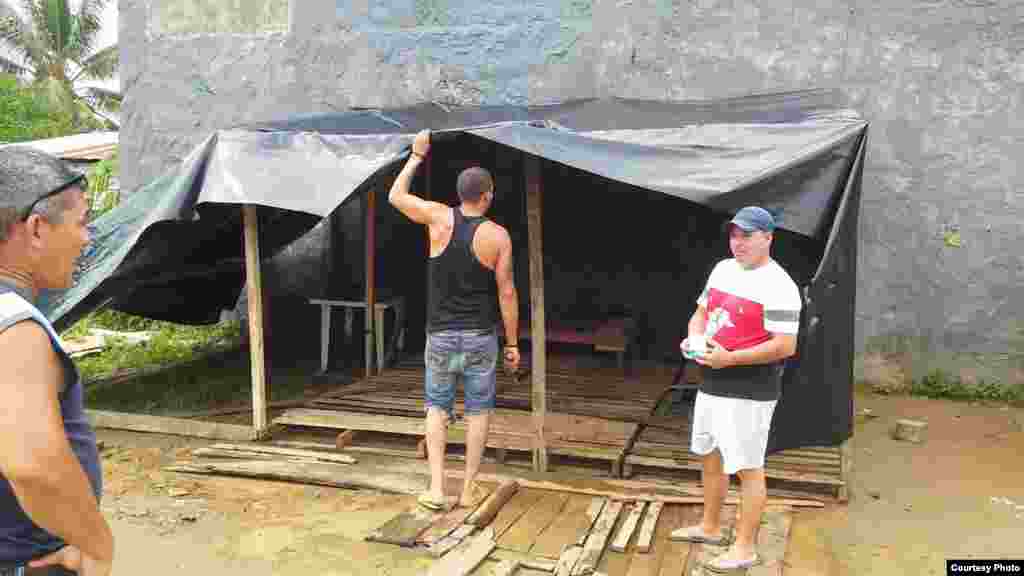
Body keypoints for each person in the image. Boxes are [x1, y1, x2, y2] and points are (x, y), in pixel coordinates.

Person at [387, 130, 520, 510]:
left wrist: (416, 156)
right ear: (487, 195)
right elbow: (506, 293)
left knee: (436, 406)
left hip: (441, 336)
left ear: (459, 194)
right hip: (480, 337)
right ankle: (468, 489)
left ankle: (435, 488)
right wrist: (512, 344)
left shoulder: (438, 217)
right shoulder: (498, 236)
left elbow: (395, 196)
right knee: (478, 410)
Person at [0, 148, 113, 575]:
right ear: (36, 229)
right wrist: (96, 545)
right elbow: (32, 465)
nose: (87, 238)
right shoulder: (13, 326)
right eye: (81, 223)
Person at [671, 206, 801, 572]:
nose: (738, 242)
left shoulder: (780, 286)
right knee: (710, 455)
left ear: (768, 238)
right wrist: (694, 339)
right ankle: (711, 527)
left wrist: (731, 359)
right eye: (734, 235)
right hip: (711, 381)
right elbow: (701, 313)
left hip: (750, 389)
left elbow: (785, 346)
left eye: (747, 235)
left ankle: (744, 548)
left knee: (747, 467)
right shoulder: (722, 269)